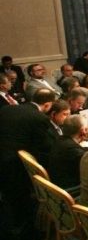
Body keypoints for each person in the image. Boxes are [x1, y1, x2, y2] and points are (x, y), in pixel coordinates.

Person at [0, 88, 57, 229]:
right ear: (47, 105)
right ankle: (22, 225)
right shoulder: (39, 118)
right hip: (15, 164)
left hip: (3, 155)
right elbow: (41, 146)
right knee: (18, 199)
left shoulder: (7, 109)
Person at [48, 115, 88, 189]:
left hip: (57, 183)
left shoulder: (60, 139)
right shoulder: (73, 150)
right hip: (71, 188)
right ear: (83, 130)